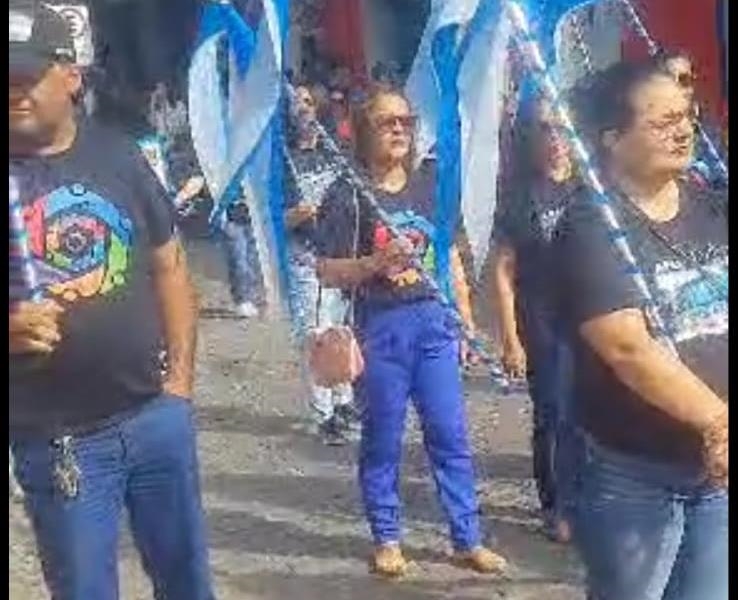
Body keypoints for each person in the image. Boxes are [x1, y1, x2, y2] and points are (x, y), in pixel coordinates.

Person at [9, 4, 215, 599]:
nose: (14, 91)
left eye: (27, 75)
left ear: (71, 77)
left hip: (155, 419)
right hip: (59, 441)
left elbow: (169, 265)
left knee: (187, 583)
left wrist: (179, 383)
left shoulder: (120, 157)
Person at [315, 88, 506, 578]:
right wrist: (373, 264)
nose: (399, 128)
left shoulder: (430, 185)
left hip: (433, 323)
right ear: (364, 131)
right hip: (381, 328)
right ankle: (386, 536)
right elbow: (325, 270)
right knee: (383, 437)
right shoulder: (349, 193)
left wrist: (464, 320)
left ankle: (467, 538)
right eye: (387, 121)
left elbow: (450, 256)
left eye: (406, 120)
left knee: (450, 433)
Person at [558, 59, 728, 600]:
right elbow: (627, 347)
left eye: (687, 116)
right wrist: (720, 422)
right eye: (663, 122)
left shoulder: (713, 207)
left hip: (717, 474)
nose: (683, 130)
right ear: (612, 137)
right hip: (633, 474)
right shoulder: (591, 224)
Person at [490, 96, 581, 543]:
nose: (556, 138)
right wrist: (510, 338)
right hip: (542, 321)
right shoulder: (519, 196)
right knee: (553, 413)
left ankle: (590, 498)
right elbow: (503, 272)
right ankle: (556, 504)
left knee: (591, 415)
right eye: (545, 128)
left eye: (562, 127)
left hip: (591, 319)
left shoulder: (592, 188)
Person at [284, 84, 359, 445]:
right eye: (297, 102)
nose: (303, 108)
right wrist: (294, 216)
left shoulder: (336, 153)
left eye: (309, 102)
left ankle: (344, 402)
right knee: (315, 336)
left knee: (341, 331)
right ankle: (323, 413)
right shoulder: (282, 161)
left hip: (340, 255)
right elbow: (266, 219)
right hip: (305, 258)